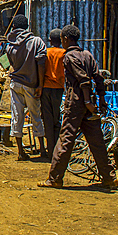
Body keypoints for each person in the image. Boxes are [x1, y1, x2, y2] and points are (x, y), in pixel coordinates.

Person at [39, 24, 117, 189]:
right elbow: (98, 78)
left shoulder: (69, 57)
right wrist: (100, 100)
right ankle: (109, 177)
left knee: (66, 139)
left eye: (62, 40)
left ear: (66, 39)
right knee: (96, 141)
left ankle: (55, 178)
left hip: (76, 103)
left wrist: (87, 102)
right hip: (90, 104)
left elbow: (84, 80)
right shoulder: (87, 55)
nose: (62, 43)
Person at [4, 14, 48, 161]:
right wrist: (40, 85)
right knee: (36, 116)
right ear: (27, 26)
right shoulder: (37, 42)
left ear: (14, 27)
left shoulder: (9, 44)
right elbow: (41, 63)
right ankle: (42, 149)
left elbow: (10, 63)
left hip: (15, 83)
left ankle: (21, 151)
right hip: (31, 84)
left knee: (17, 116)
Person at [39, 28, 66, 160]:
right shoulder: (64, 53)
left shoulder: (46, 52)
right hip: (58, 89)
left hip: (45, 88)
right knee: (57, 119)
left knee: (47, 120)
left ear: (49, 40)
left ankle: (50, 150)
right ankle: (57, 149)